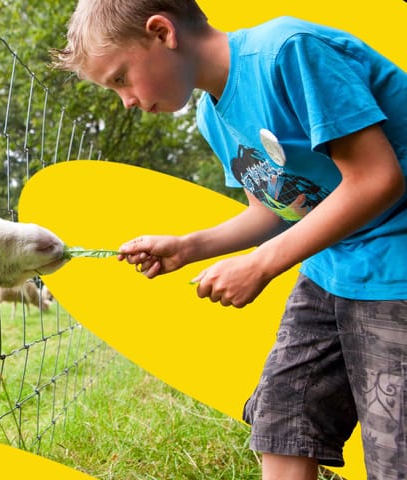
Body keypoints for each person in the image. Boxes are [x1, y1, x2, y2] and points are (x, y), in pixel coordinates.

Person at [51, 1, 407, 479]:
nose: (127, 101)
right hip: (333, 265)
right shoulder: (212, 117)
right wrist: (188, 247)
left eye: (120, 79)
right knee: (283, 415)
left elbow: (377, 179)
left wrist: (261, 265)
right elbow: (275, 208)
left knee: (395, 450)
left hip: (396, 264)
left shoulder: (288, 52)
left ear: (162, 33)